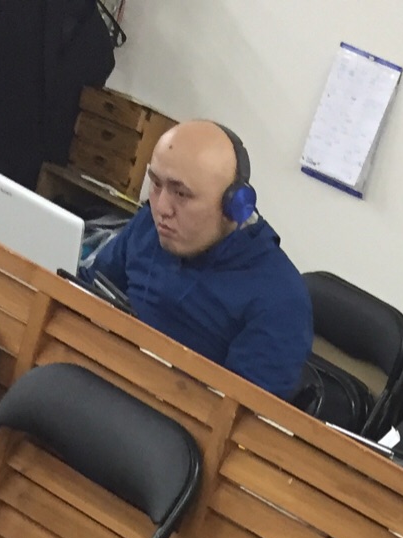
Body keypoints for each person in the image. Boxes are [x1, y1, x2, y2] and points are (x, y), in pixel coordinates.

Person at [85, 120, 312, 400]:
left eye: (181, 194)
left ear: (236, 207)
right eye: (156, 184)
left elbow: (241, 416)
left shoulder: (280, 299)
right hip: (99, 379)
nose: (161, 208)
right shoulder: (149, 225)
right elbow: (87, 290)